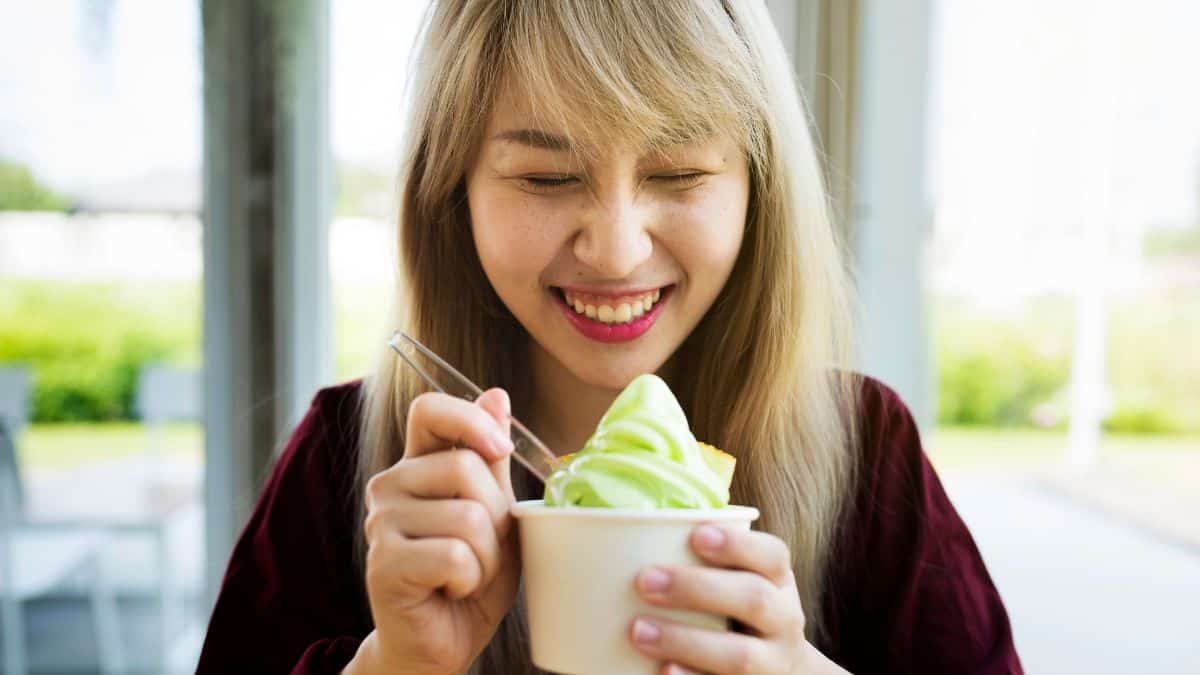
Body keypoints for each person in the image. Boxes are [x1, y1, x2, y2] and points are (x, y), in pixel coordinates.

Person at [197, 1, 1023, 673]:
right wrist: (396, 664)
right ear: (452, 195)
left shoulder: (864, 451)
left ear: (757, 189)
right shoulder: (350, 461)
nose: (618, 249)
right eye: (547, 178)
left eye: (679, 173)